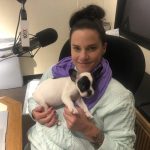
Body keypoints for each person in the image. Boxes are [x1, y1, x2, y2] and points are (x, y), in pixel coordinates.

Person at [26, 4, 136, 150]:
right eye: (76, 48)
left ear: (103, 47)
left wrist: (89, 130)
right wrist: (35, 112)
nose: (83, 57)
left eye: (91, 48)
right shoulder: (55, 71)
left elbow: (125, 148)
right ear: (70, 47)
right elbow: (34, 98)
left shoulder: (121, 98)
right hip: (36, 142)